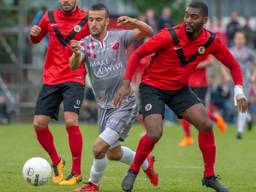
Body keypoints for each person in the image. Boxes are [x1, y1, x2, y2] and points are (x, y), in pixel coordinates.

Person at [113, 2, 247, 192]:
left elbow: (233, 65)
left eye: (194, 17)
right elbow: (137, 55)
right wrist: (125, 86)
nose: (188, 20)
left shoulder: (210, 41)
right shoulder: (169, 35)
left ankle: (209, 177)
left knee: (206, 124)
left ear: (205, 20)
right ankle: (133, 170)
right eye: (187, 15)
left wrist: (239, 90)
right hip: (153, 87)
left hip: (179, 89)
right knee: (154, 133)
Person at [69, 3, 158, 192]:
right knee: (113, 153)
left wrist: (133, 21)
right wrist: (76, 55)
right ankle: (146, 163)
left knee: (98, 147)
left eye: (98, 19)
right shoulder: (84, 43)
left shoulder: (119, 36)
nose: (93, 23)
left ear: (107, 21)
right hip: (104, 106)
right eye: (90, 19)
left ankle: (92, 184)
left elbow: (148, 31)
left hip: (124, 103)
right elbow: (73, 66)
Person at [29, 0, 90, 185]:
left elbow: (96, 42)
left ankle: (77, 172)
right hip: (51, 78)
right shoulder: (49, 17)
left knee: (70, 120)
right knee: (39, 124)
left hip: (74, 76)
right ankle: (56, 161)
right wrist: (33, 34)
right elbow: (36, 40)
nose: (65, 1)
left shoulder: (87, 20)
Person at [178, 56, 227, 147]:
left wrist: (194, 65)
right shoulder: (184, 48)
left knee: (198, 111)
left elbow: (210, 62)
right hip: (186, 82)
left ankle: (215, 119)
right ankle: (188, 137)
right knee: (182, 109)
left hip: (200, 84)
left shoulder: (202, 48)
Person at [229, 31, 256, 139]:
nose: (239, 41)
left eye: (241, 39)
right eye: (237, 38)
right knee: (237, 106)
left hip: (245, 81)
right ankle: (249, 119)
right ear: (234, 39)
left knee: (242, 104)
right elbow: (223, 64)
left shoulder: (248, 52)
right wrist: (225, 75)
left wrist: (254, 76)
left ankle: (239, 131)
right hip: (233, 81)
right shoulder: (230, 51)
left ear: (244, 40)